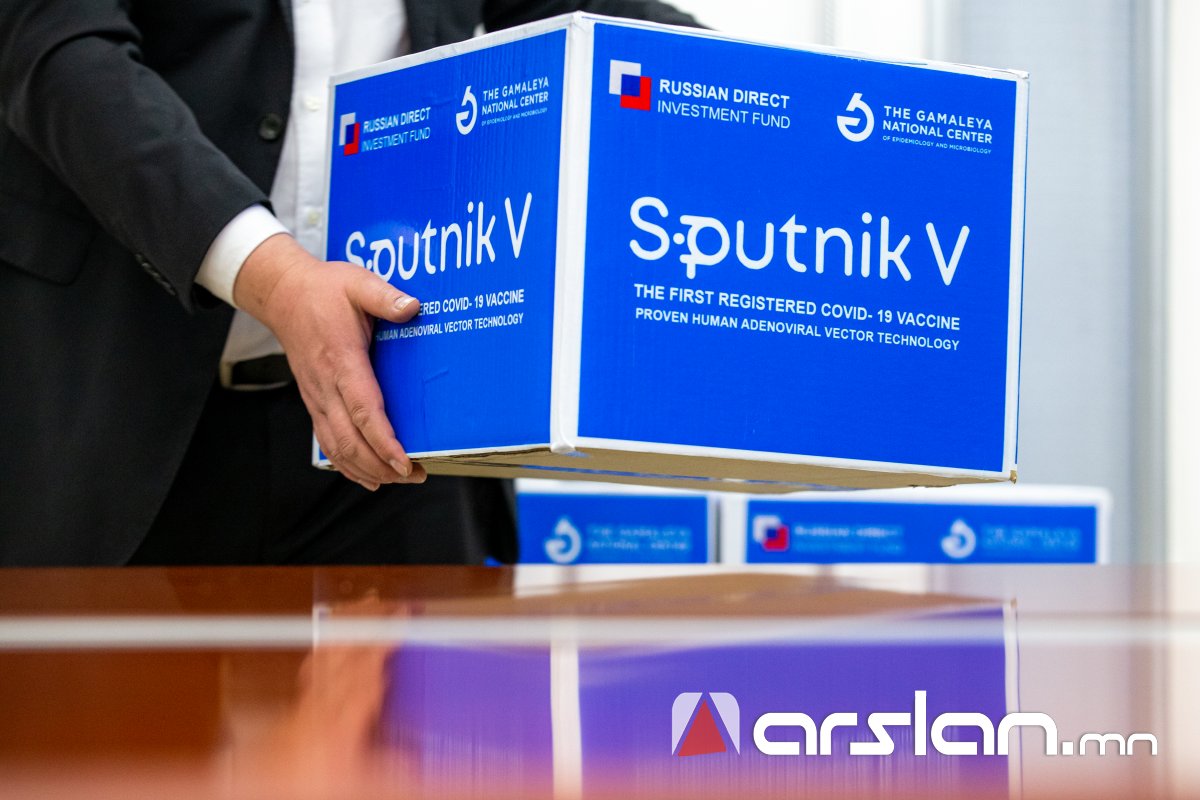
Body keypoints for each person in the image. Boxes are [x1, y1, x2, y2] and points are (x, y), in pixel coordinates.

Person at [0, 0, 697, 566]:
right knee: (107, 700)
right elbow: (60, 48)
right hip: (124, 403)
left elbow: (582, 8)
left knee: (418, 698)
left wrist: (747, 89)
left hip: (396, 418)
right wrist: (278, 279)